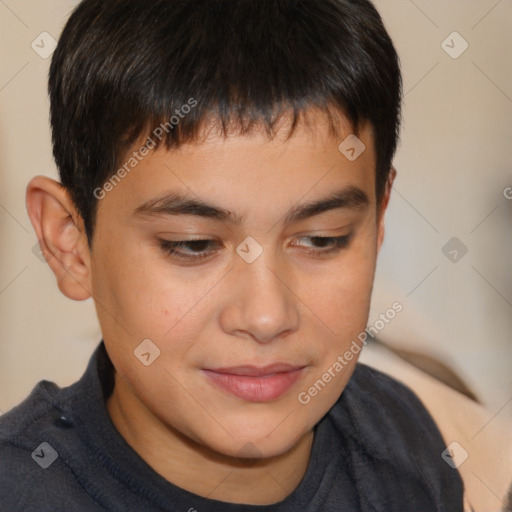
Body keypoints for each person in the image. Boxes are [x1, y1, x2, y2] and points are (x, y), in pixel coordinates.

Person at [0, 0, 465, 510]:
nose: (266, 316)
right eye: (194, 245)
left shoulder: (400, 446)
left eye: (322, 239)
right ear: (70, 242)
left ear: (378, 222)